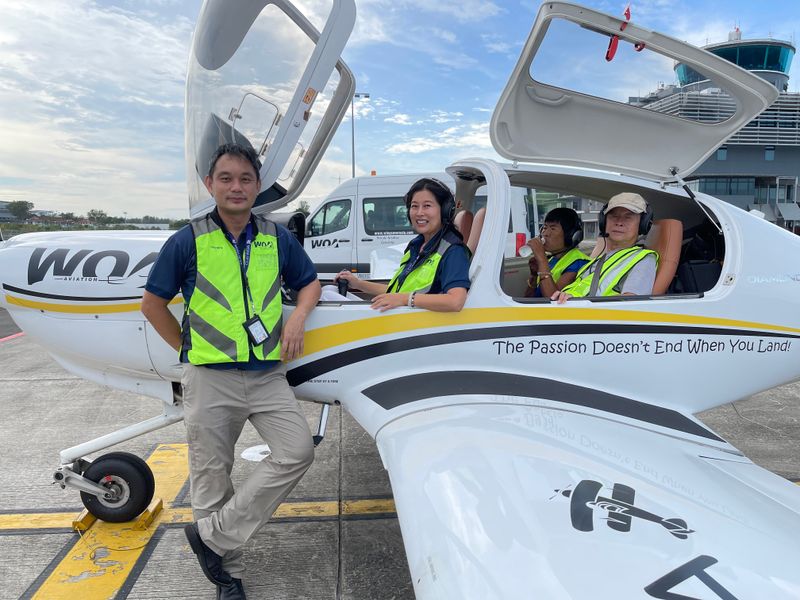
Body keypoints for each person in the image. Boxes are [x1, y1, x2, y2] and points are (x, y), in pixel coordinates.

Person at [141, 143, 321, 600]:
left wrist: (297, 316)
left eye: (245, 179)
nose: (236, 187)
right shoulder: (188, 239)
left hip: (265, 374)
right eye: (226, 178)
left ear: (258, 186)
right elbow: (153, 303)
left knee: (297, 450)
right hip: (209, 376)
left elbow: (310, 282)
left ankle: (213, 538)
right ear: (210, 184)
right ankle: (229, 576)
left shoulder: (276, 237)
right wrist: (187, 348)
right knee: (212, 476)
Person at [333, 177, 470, 312]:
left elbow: (455, 301)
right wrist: (358, 284)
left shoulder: (453, 251)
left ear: (445, 210)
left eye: (427, 206)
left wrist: (406, 299)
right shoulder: (417, 246)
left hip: (415, 328)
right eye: (414, 206)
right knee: (329, 291)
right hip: (400, 321)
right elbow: (397, 290)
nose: (419, 213)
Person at [552, 192, 658, 303]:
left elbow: (630, 306)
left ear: (643, 225)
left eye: (628, 217)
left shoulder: (643, 260)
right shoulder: (604, 258)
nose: (619, 222)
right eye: (614, 216)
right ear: (604, 222)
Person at [523, 207, 589, 298]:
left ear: (570, 235)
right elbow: (528, 298)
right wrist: (534, 276)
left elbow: (552, 299)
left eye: (553, 229)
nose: (545, 233)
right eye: (545, 227)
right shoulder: (551, 259)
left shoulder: (579, 263)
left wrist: (542, 260)